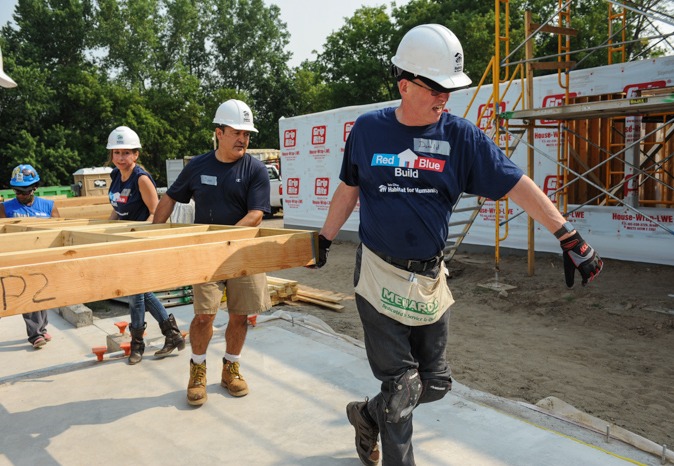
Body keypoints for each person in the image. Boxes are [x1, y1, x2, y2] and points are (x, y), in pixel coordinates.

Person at [311, 24, 604, 466]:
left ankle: (367, 413)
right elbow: (349, 188)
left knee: (436, 382)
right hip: (377, 272)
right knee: (403, 386)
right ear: (405, 84)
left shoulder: (461, 138)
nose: (446, 97)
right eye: (437, 88)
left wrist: (568, 234)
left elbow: (516, 184)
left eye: (451, 88)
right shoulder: (368, 131)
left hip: (428, 277)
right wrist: (325, 238)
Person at [153, 99, 272, 405]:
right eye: (237, 132)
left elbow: (256, 215)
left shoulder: (255, 169)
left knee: (240, 315)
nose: (243, 139)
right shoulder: (198, 166)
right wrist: (152, 233)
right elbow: (170, 198)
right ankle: (197, 370)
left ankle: (231, 368)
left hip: (243, 253)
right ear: (219, 132)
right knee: (204, 316)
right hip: (205, 256)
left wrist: (225, 242)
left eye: (247, 134)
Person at [106, 126, 186, 365]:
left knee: (135, 294)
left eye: (126, 153)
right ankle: (172, 334)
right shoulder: (115, 176)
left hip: (140, 241)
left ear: (136, 154)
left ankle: (137, 345)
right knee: (141, 291)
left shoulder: (141, 178)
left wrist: (137, 234)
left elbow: (155, 213)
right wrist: (104, 232)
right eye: (117, 152)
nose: (121, 157)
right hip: (124, 241)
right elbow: (117, 209)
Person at [0, 164, 59, 349]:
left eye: (24, 192)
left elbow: (59, 232)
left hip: (43, 257)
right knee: (28, 293)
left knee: (42, 292)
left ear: (34, 188)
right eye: (16, 191)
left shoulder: (48, 206)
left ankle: (42, 328)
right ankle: (35, 334)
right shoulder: (5, 208)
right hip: (21, 259)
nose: (19, 195)